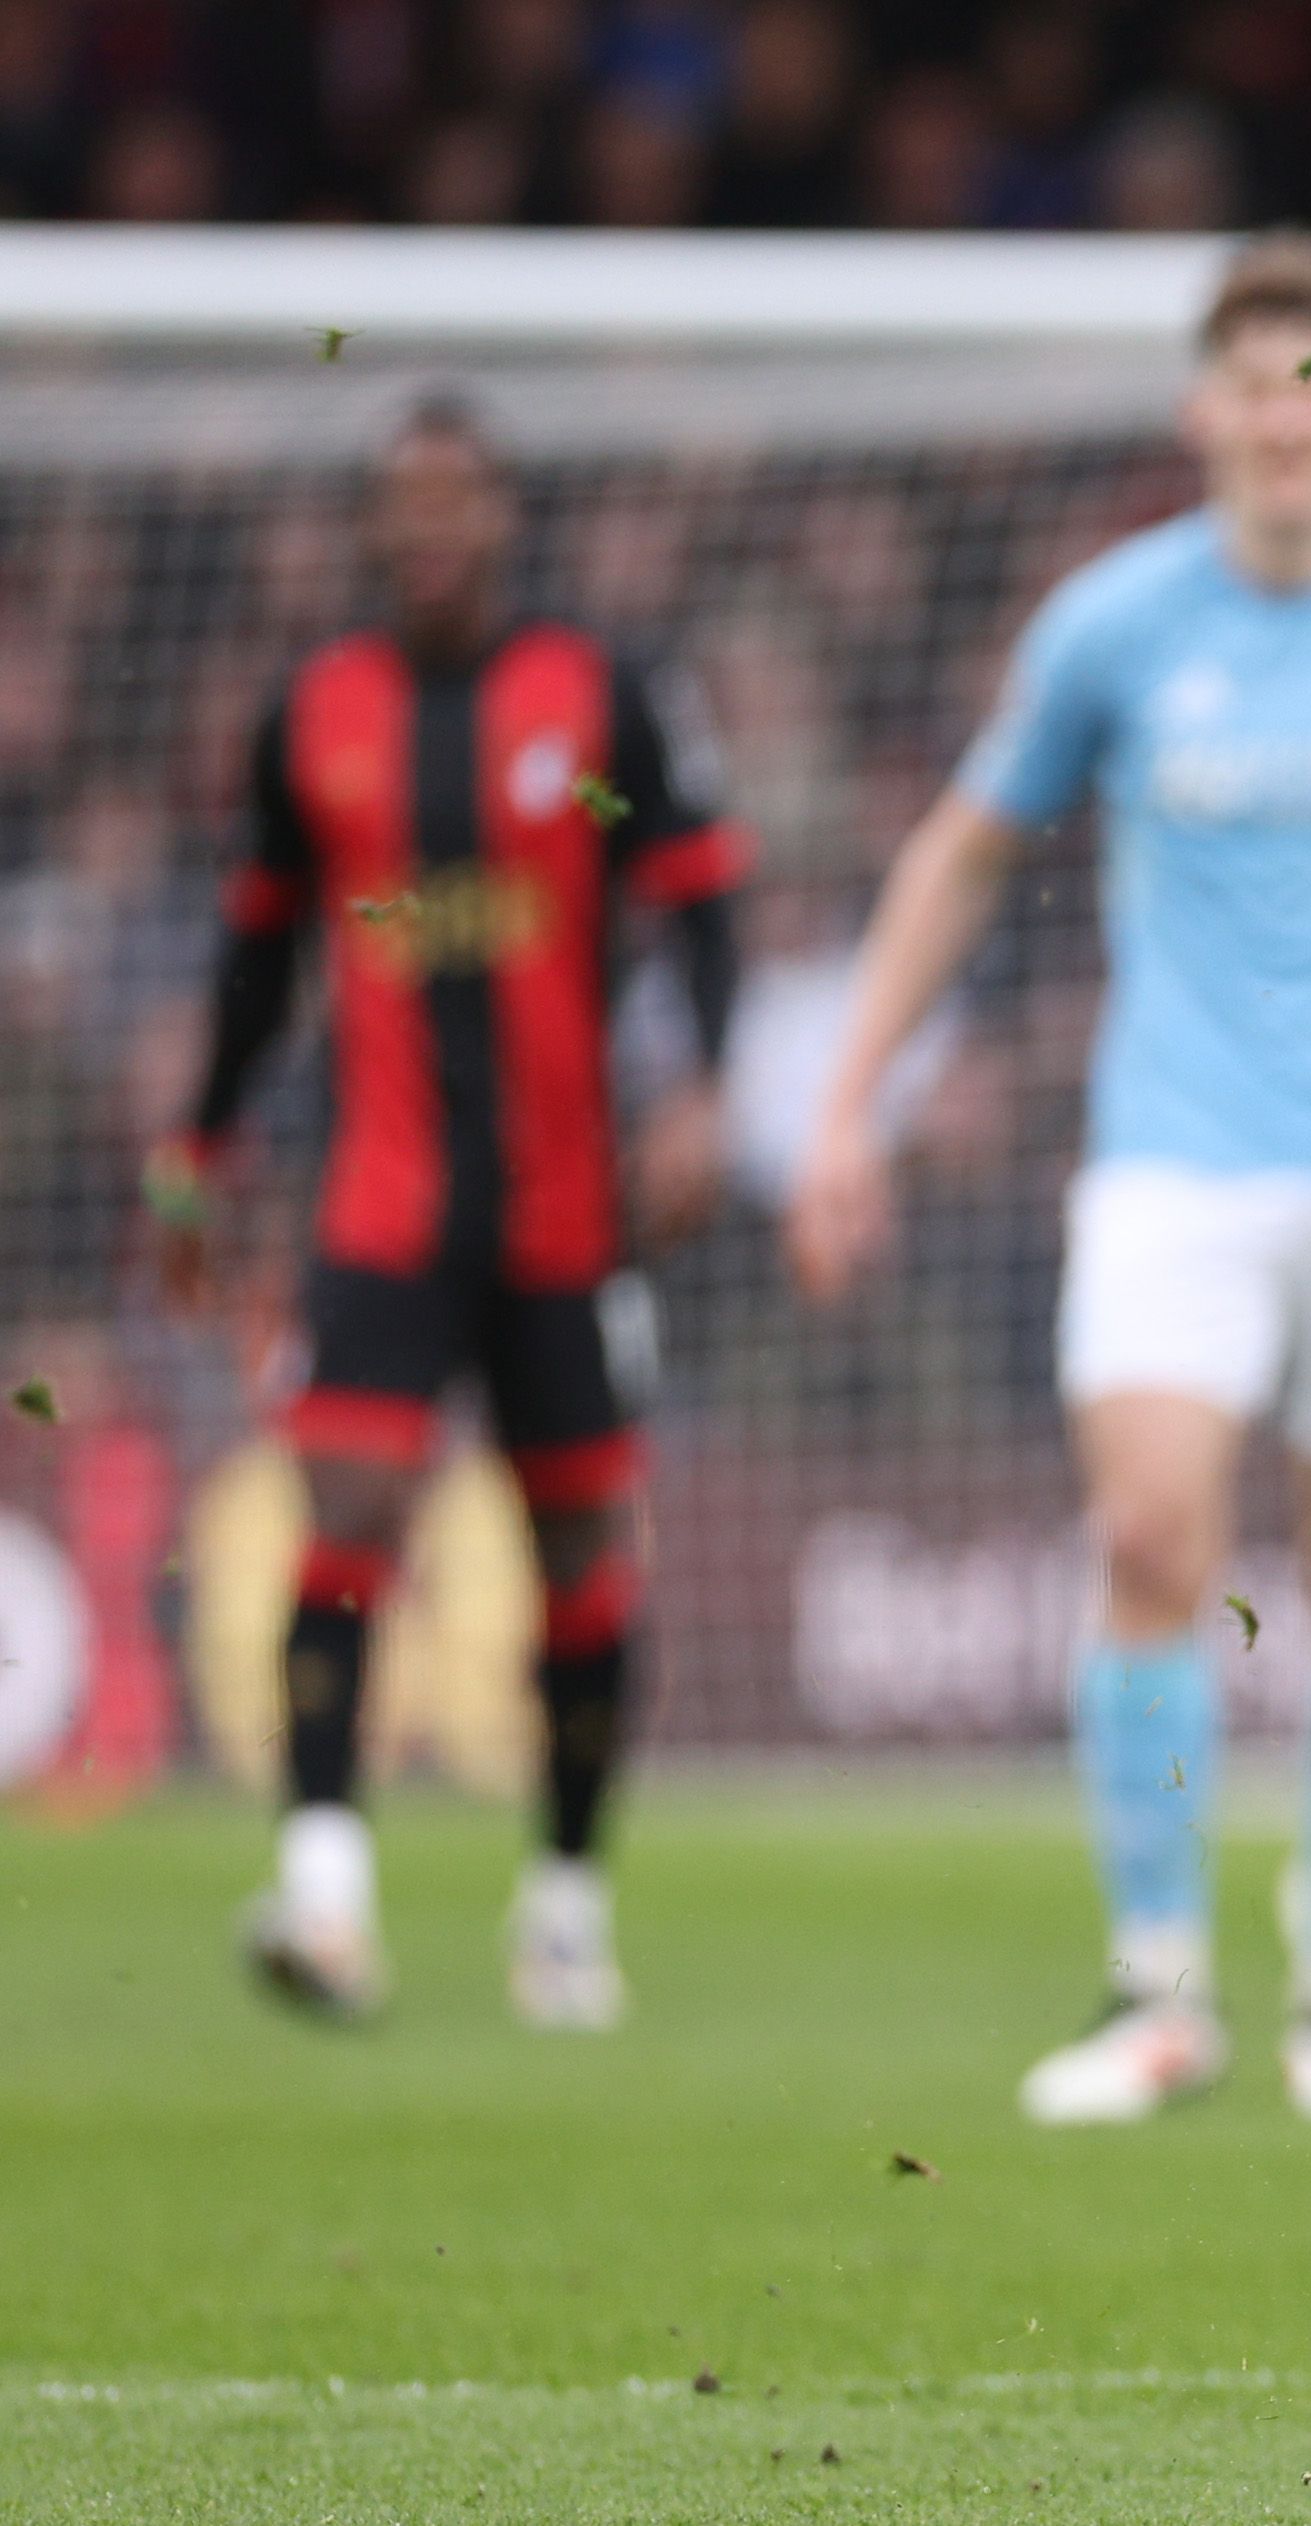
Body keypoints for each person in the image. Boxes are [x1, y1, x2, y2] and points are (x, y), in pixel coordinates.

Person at [782, 232, 1311, 2128]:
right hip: (1175, 1156)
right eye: (1255, 388)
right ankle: (1160, 1983)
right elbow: (958, 857)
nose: (1284, 419)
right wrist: (849, 1098)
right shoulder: (1116, 621)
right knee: (1154, 1540)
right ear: (1204, 414)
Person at [157, 392, 748, 2032]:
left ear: (500, 517)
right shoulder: (316, 715)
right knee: (343, 1505)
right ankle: (326, 1892)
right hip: (384, 1205)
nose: (426, 528)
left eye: (453, 499)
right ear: (371, 526)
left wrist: (702, 1082)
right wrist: (197, 1146)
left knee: (582, 1557)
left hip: (569, 1214)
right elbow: (258, 950)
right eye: (399, 502)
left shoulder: (596, 697)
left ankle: (563, 1902)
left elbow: (697, 892)